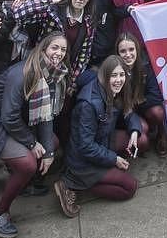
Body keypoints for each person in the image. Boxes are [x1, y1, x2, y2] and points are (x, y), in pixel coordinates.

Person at [0, 33, 69, 238]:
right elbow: (8, 118)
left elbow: (46, 115)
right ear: (43, 48)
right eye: (55, 48)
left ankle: (23, 185)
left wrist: (48, 152)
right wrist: (32, 142)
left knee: (51, 143)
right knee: (27, 164)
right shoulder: (23, 73)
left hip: (11, 121)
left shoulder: (52, 74)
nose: (59, 53)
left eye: (63, 50)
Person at [54, 55, 140, 217]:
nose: (118, 80)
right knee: (130, 188)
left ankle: (95, 175)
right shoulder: (89, 104)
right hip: (84, 160)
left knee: (141, 141)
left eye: (121, 75)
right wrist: (114, 159)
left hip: (103, 140)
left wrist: (134, 131)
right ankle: (70, 183)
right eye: (113, 75)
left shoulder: (116, 89)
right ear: (104, 75)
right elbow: (86, 146)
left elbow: (128, 110)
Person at [117, 33, 166, 155]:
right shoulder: (114, 69)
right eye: (123, 51)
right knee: (143, 132)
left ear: (137, 49)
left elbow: (156, 95)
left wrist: (136, 102)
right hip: (126, 111)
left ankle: (161, 135)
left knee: (158, 112)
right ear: (117, 53)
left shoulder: (146, 65)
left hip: (142, 104)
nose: (128, 54)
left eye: (131, 49)